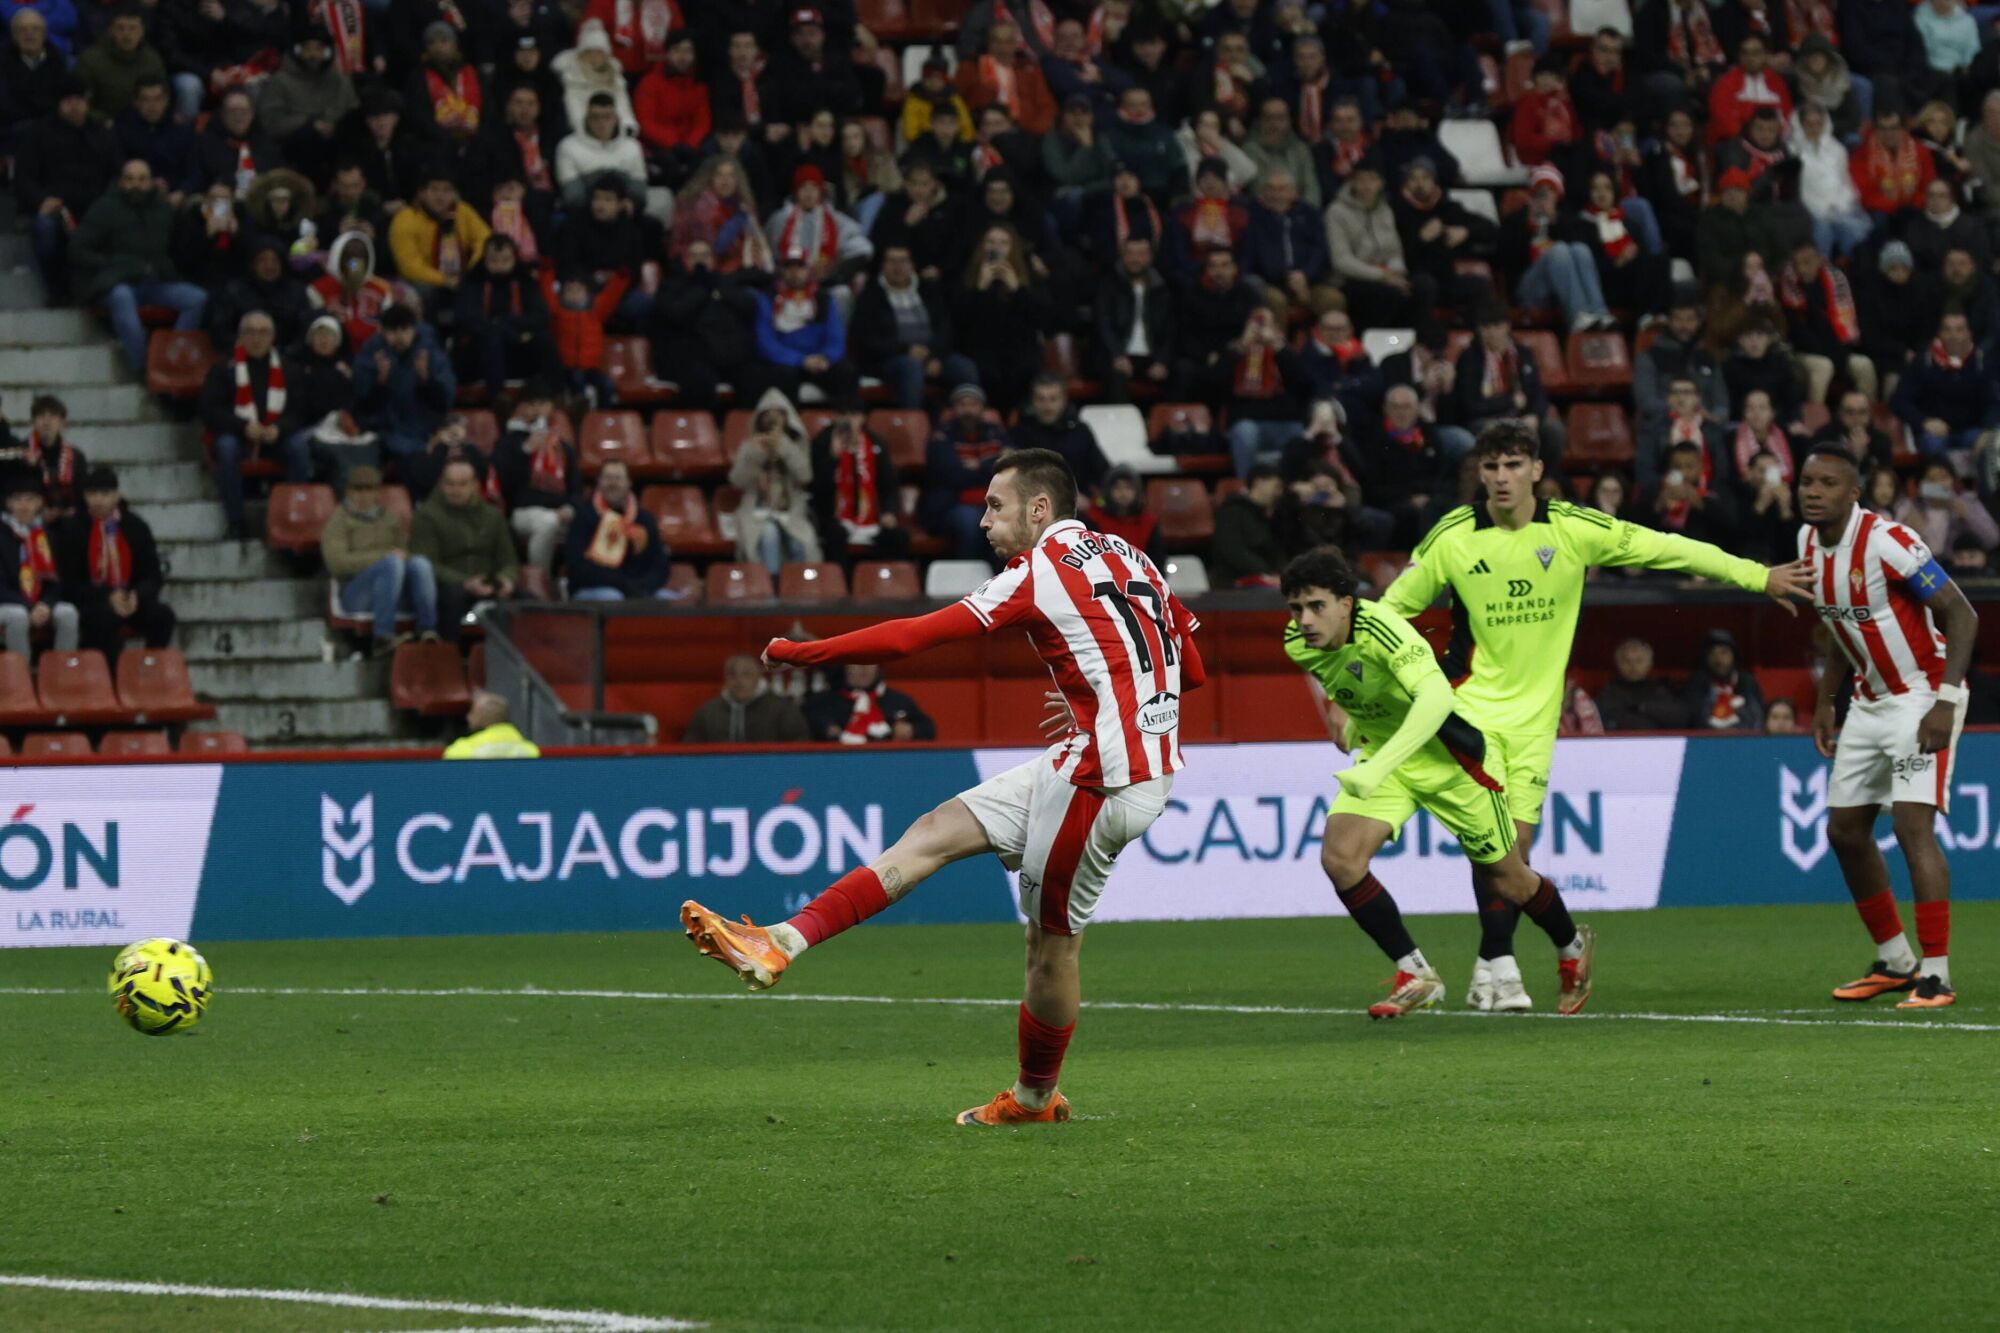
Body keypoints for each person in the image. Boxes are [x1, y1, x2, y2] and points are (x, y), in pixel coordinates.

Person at [681, 449, 1204, 1126]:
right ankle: (781, 940)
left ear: (1039, 509)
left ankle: (1035, 1101)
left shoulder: (1038, 571)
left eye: (995, 504)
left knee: (1051, 949)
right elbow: (1188, 666)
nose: (983, 519)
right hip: (1098, 755)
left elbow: (909, 640)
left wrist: (801, 653)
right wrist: (1105, 698)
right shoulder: (1135, 557)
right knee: (932, 830)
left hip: (1101, 781)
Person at [1381, 422, 1808, 1010]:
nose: (1501, 477)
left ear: (1535, 469)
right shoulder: (1453, 536)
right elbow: (1388, 613)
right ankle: (1502, 968)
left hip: (1535, 721)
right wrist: (1357, 685)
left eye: (1513, 465)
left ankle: (1499, 960)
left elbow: (1667, 547)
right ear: (1479, 473)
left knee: (1512, 856)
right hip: (1469, 708)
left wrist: (1756, 575)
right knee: (1495, 850)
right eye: (1491, 466)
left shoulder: (1574, 528)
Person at [1282, 545, 1595, 1020]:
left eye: (1316, 606)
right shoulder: (1297, 641)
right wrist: (1348, 721)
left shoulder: (1387, 633)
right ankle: (1417, 974)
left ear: (1347, 604)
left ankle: (1572, 946)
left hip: (1451, 758)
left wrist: (1376, 765)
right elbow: (1353, 681)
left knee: (1508, 879)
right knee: (1341, 859)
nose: (1304, 619)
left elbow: (1433, 702)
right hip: (1389, 754)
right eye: (1297, 607)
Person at [69, 158, 205, 376]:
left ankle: (171, 355)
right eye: (130, 179)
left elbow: (180, 246)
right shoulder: (104, 208)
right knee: (122, 297)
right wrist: (111, 265)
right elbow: (78, 248)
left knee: (197, 298)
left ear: (152, 182)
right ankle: (143, 368)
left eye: (142, 179)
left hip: (154, 282)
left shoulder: (162, 209)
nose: (136, 185)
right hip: (116, 282)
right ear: (121, 182)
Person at [14, 77, 120, 304]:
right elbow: (23, 178)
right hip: (57, 207)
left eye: (79, 99)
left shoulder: (102, 132)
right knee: (45, 226)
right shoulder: (39, 133)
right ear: (59, 103)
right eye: (68, 100)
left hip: (97, 207)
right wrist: (41, 200)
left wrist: (108, 203)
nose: (74, 105)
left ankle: (101, 291)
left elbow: (117, 174)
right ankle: (57, 290)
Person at [320, 463, 438, 654]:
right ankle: (383, 636)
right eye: (358, 489)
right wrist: (382, 558)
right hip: (354, 592)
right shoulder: (338, 521)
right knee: (391, 564)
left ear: (377, 492)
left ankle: (428, 631)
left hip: (391, 586)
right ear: (348, 491)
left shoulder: (388, 518)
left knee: (420, 564)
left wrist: (401, 558)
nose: (363, 495)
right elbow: (337, 564)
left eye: (369, 489)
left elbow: (404, 550)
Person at [409, 456, 518, 642]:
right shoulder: (427, 516)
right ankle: (447, 658)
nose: (455, 490)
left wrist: (506, 579)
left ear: (474, 485)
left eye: (462, 484)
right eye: (450, 484)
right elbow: (427, 564)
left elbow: (509, 560)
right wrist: (466, 582)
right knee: (453, 597)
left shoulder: (493, 516)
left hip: (488, 585)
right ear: (441, 485)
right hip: (450, 587)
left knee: (527, 601)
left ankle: (516, 666)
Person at [202, 310, 286, 540]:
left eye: (263, 332)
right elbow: (210, 410)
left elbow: (298, 410)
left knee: (298, 447)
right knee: (226, 448)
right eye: (250, 332)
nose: (257, 338)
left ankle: (292, 518)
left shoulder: (287, 368)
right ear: (240, 337)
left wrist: (279, 429)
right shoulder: (222, 369)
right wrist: (243, 427)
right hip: (237, 435)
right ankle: (236, 521)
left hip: (276, 435)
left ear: (272, 337)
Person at [354, 303, 456, 468]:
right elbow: (362, 407)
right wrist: (381, 382)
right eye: (392, 331)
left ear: (414, 329)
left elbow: (444, 403)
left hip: (424, 432)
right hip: (382, 434)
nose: (399, 336)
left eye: (404, 330)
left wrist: (425, 381)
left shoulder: (433, 357)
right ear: (382, 331)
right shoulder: (369, 357)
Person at [730, 394, 820, 575]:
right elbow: (737, 481)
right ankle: (771, 586)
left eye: (779, 414)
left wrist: (783, 447)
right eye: (768, 414)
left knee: (802, 542)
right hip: (757, 511)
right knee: (769, 534)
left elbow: (805, 476)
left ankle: (798, 588)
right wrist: (757, 454)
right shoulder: (749, 446)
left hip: (791, 510)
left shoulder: (796, 445)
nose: (773, 419)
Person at [1890, 312, 2000, 461]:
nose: (1953, 335)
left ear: (1969, 334)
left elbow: (1994, 402)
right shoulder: (1923, 362)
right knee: (1932, 443)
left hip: (1971, 431)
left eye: (1959, 330)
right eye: (1947, 330)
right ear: (1939, 334)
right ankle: (1938, 483)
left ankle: (1987, 485)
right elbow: (1899, 401)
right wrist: (1924, 421)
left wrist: (1988, 430)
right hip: (1935, 432)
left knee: (1991, 443)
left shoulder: (1982, 363)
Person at [921, 384, 1012, 559]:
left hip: (991, 505)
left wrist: (979, 465)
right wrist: (993, 464)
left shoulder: (996, 432)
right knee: (969, 521)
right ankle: (968, 579)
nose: (968, 410)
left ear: (982, 408)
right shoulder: (941, 436)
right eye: (962, 405)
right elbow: (953, 476)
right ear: (954, 409)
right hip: (951, 506)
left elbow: (1012, 468)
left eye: (973, 404)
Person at [493, 383, 575, 579]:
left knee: (590, 519)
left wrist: (571, 508)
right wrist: (526, 451)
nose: (538, 409)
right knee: (548, 522)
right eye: (532, 404)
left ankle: (573, 583)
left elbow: (576, 488)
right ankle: (540, 582)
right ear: (520, 408)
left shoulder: (562, 446)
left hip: (561, 511)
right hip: (523, 511)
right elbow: (504, 485)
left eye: (544, 404)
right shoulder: (509, 442)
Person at [387, 172, 491, 316]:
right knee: (425, 291)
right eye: (434, 190)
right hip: (424, 282)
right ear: (422, 193)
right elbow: (409, 267)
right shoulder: (405, 220)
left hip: (463, 276)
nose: (440, 196)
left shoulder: (463, 211)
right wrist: (444, 280)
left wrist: (471, 272)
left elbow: (485, 240)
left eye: (446, 190)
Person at [0, 474, 79, 660]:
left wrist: (46, 603)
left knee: (68, 613)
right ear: (8, 504)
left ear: (39, 503)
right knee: (18, 616)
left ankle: (61, 673)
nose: (24, 505)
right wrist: (29, 606)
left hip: (38, 602)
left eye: (30, 499)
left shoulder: (46, 536)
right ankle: (21, 678)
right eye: (18, 500)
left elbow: (57, 582)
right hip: (8, 603)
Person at [566, 459, 668, 601]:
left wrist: (645, 586)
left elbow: (660, 563)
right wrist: (623, 584)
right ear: (599, 482)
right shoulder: (584, 516)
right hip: (593, 587)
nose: (613, 483)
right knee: (613, 597)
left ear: (629, 483)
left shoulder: (644, 519)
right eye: (608, 478)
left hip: (636, 587)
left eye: (618, 478)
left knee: (668, 600)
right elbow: (577, 566)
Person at [1093, 235, 1176, 404]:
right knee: (1115, 375)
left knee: (1184, 371)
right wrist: (1118, 355)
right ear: (1122, 256)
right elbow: (1104, 325)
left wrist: (1162, 361)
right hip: (1118, 356)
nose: (1135, 259)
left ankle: (1169, 426)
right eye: (1129, 254)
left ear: (1150, 257)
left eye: (1140, 254)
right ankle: (1124, 427)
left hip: (1150, 357)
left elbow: (1171, 330)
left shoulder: (1163, 290)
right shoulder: (1108, 285)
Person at [681, 654, 812, 743]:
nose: (739, 681)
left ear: (758, 676)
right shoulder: (708, 712)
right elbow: (690, 750)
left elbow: (800, 747)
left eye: (746, 674)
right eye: (732, 674)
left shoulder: (782, 710)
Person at [1010, 375, 1106, 497]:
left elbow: (1102, 470)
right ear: (1033, 401)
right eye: (1041, 399)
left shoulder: (1080, 432)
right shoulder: (1020, 434)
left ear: (1064, 400)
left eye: (1053, 399)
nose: (1047, 406)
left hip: (1077, 505)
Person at [803, 664, 937, 744]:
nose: (864, 669)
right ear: (846, 667)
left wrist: (911, 730)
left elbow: (928, 729)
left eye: (870, 663)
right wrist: (826, 730)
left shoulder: (897, 700)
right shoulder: (823, 701)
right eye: (857, 663)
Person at [1209, 462, 1286, 587]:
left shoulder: (1273, 516)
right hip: (1235, 582)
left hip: (1267, 579)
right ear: (1259, 482)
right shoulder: (1231, 512)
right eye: (1276, 486)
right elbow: (1233, 551)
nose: (1279, 493)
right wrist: (1266, 573)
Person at [15, 394, 88, 520]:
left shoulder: (76, 456)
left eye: (53, 416)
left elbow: (82, 492)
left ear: (62, 422)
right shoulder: (21, 452)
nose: (46, 421)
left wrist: (73, 510)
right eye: (41, 416)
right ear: (33, 422)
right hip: (31, 519)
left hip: (69, 521)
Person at [1595, 637, 1691, 731]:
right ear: (1617, 663)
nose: (1633, 666)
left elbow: (1680, 719)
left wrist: (1644, 707)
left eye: (1639, 661)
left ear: (1649, 663)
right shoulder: (1609, 694)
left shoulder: (1661, 690)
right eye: (1626, 661)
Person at [1681, 628, 1766, 730]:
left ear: (1733, 655)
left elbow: (1758, 717)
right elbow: (1691, 718)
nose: (1718, 659)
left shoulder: (1746, 682)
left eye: (1724, 652)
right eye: (1712, 653)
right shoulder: (1696, 683)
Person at [443, 691, 542, 758]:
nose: (468, 717)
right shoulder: (531, 750)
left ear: (485, 717)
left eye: (473, 712)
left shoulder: (462, 750)